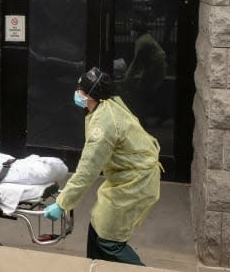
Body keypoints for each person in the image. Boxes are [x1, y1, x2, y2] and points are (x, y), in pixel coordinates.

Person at [43, 67, 162, 266]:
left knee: (109, 241)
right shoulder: (107, 104)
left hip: (135, 184)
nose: (77, 93)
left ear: (89, 95)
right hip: (125, 178)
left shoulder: (103, 126)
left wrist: (62, 203)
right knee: (97, 226)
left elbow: (86, 172)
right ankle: (95, 266)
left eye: (80, 90)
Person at [119, 15, 167, 121]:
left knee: (140, 94)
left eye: (132, 30)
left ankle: (142, 118)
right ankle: (160, 113)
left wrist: (126, 78)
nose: (130, 32)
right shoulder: (146, 38)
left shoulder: (142, 43)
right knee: (145, 93)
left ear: (136, 31)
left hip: (154, 71)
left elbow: (135, 63)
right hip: (155, 69)